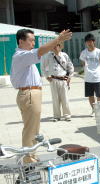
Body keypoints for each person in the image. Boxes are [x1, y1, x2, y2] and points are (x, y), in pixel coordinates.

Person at [10, 29, 72, 163]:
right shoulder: (21, 55)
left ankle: (31, 156)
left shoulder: (23, 56)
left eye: (34, 40)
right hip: (29, 94)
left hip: (31, 93)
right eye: (31, 40)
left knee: (33, 129)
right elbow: (41, 51)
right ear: (21, 41)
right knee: (30, 130)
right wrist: (58, 39)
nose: (34, 43)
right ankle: (28, 161)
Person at [41, 42, 74, 122]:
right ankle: (56, 116)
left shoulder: (64, 55)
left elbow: (70, 66)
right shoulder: (48, 56)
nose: (55, 48)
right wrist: (47, 76)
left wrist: (69, 77)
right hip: (53, 80)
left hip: (63, 80)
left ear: (60, 47)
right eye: (53, 46)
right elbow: (43, 67)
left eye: (56, 46)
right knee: (55, 98)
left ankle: (67, 115)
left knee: (65, 98)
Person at [80, 33, 100, 116]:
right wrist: (88, 70)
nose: (89, 43)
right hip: (88, 78)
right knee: (90, 96)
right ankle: (94, 110)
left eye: (90, 41)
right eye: (87, 41)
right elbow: (83, 63)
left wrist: (97, 70)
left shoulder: (99, 52)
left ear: (93, 41)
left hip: (97, 77)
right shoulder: (84, 53)